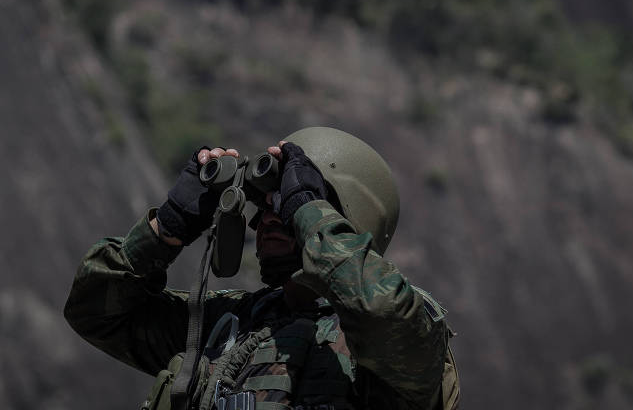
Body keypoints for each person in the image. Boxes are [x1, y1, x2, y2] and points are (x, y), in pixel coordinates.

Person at [64, 127, 459, 409]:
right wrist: (166, 228)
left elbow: (380, 310)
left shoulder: (401, 330)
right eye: (266, 203)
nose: (268, 215)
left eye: (284, 202)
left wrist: (304, 206)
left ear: (345, 215)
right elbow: (95, 312)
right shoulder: (226, 325)